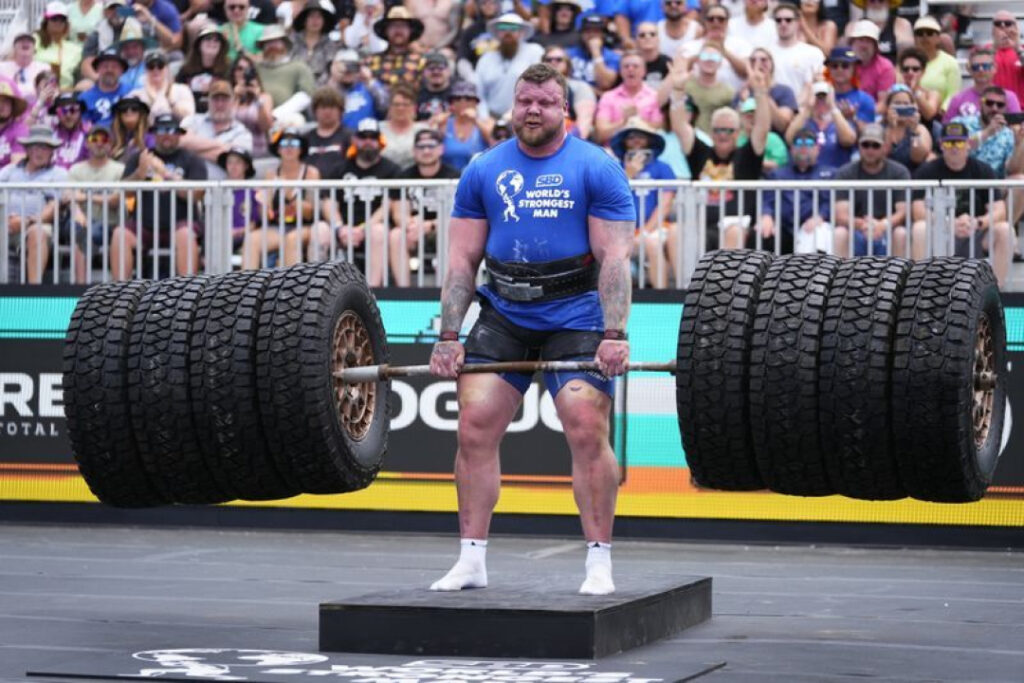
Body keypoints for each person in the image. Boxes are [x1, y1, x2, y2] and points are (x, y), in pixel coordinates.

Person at [428, 63, 635, 596]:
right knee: (473, 425)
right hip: (505, 313)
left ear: (563, 107)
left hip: (578, 314)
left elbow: (614, 258)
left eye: (545, 101)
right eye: (525, 101)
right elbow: (461, 262)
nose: (533, 110)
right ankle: (471, 559)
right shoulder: (482, 169)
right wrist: (449, 335)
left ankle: (598, 562)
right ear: (512, 105)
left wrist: (615, 332)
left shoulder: (597, 168)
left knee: (585, 424)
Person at [674, 64, 771, 250]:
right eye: (718, 130)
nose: (723, 135)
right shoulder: (700, 152)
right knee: (676, 232)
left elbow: (762, 128)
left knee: (734, 231)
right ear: (711, 133)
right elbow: (680, 127)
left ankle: (726, 281)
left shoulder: (747, 154)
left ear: (737, 133)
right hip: (700, 223)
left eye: (728, 130)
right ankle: (687, 280)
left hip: (736, 225)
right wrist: (678, 90)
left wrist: (760, 91)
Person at [911, 122, 1014, 287]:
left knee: (1005, 230)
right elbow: (917, 210)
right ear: (941, 145)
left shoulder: (983, 170)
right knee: (919, 228)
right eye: (949, 142)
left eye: (959, 142)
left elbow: (999, 210)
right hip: (941, 232)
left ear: (968, 144)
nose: (954, 148)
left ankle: (996, 292)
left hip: (976, 232)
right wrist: (947, 222)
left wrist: (978, 222)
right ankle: (920, 291)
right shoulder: (926, 171)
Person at [111, 114, 208, 279]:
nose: (166, 134)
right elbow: (125, 193)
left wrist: (165, 174)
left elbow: (198, 194)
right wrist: (139, 174)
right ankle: (120, 295)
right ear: (154, 133)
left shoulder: (192, 159)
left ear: (179, 133)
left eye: (171, 129)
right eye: (161, 130)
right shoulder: (140, 157)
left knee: (185, 234)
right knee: (120, 234)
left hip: (181, 224)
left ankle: (189, 294)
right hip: (144, 226)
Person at [325, 117, 401, 287]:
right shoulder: (339, 169)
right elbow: (328, 202)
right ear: (354, 140)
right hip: (341, 228)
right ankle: (317, 291)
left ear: (380, 141)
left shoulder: (392, 169)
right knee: (319, 230)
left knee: (378, 231)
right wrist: (340, 228)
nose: (368, 141)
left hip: (374, 228)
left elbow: (388, 205)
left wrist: (362, 229)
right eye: (363, 137)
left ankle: (373, 293)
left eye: (373, 137)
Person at [242, 127, 329, 268]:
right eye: (284, 144)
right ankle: (246, 287)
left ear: (300, 149)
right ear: (278, 149)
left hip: (304, 226)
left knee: (292, 239)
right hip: (278, 226)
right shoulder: (271, 174)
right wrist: (261, 204)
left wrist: (288, 191)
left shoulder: (310, 173)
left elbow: (310, 212)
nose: (289, 148)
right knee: (252, 239)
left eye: (294, 143)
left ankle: (291, 288)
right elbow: (266, 214)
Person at [386, 128, 460, 286]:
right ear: (413, 151)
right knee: (395, 235)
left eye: (431, 146)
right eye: (421, 147)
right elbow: (398, 213)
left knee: (449, 229)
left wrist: (430, 225)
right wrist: (411, 225)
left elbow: (457, 214)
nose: (426, 151)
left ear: (441, 149)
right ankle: (403, 292)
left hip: (441, 228)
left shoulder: (454, 176)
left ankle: (445, 290)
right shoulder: (404, 177)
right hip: (412, 230)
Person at [0, 126, 71, 284]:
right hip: (5, 223)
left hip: (37, 224)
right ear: (27, 149)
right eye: (36, 146)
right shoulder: (9, 171)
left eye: (45, 147)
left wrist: (27, 221)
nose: (40, 151)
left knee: (37, 233)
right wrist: (5, 220)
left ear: (52, 151)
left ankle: (34, 291)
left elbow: (55, 205)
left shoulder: (59, 173)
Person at [611, 117, 676, 289]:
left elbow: (666, 204)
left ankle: (663, 299)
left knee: (653, 242)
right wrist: (628, 174)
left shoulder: (663, 167)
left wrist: (645, 231)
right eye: (631, 137)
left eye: (641, 136)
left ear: (649, 140)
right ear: (624, 142)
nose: (636, 141)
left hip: (654, 230)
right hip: (621, 234)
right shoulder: (615, 168)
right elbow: (608, 199)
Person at [833, 122, 910, 257]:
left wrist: (882, 224)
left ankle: (899, 277)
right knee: (839, 233)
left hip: (888, 228)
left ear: (885, 147)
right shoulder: (845, 173)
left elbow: (903, 211)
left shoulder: (899, 172)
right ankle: (841, 278)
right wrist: (862, 224)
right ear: (859, 146)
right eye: (865, 145)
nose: (870, 150)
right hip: (857, 229)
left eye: (875, 145)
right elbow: (841, 215)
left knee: (901, 233)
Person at [757, 127, 835, 254]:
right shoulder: (777, 175)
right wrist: (766, 216)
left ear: (817, 149)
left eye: (809, 143)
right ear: (791, 149)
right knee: (763, 232)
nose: (803, 146)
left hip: (812, 225)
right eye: (798, 143)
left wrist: (821, 216)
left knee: (820, 232)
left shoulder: (829, 174)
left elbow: (829, 201)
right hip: (783, 227)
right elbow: (767, 200)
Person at [67, 123, 124, 269]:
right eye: (94, 138)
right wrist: (77, 211)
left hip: (109, 223)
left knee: (82, 232)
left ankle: (81, 287)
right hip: (80, 222)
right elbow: (69, 196)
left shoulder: (120, 169)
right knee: (78, 229)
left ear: (110, 144)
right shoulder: (76, 169)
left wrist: (86, 197)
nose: (99, 143)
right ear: (87, 143)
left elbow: (114, 201)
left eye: (104, 139)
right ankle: (79, 288)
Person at [475, 13, 544, 119]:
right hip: (492, 118)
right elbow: (478, 94)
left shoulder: (535, 52)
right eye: (503, 28)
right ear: (497, 33)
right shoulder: (485, 59)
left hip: (527, 117)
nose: (508, 32)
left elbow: (540, 87)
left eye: (513, 28)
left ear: (521, 32)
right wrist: (485, 119)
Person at [179, 79, 254, 172]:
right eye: (216, 99)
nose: (220, 104)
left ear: (233, 102)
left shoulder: (242, 132)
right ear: (208, 101)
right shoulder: (192, 120)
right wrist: (223, 146)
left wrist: (193, 149)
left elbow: (235, 162)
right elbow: (180, 141)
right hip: (192, 184)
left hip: (227, 185)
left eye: (224, 100)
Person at [951, 86, 1022, 179]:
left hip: (995, 187)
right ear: (980, 103)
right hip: (963, 182)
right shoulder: (960, 123)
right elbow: (955, 150)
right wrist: (988, 132)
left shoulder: (1008, 134)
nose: (994, 108)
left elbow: (1011, 170)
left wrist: (1019, 145)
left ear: (1005, 108)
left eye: (1000, 105)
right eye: (989, 103)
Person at [594, 51, 663, 144]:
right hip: (613, 152)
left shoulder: (655, 96)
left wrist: (637, 120)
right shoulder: (608, 97)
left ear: (644, 71)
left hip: (646, 149)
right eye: (626, 66)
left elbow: (659, 131)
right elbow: (601, 134)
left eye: (635, 66)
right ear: (620, 71)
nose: (630, 69)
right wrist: (624, 122)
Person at [786, 80, 857, 169]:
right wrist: (808, 107)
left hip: (835, 178)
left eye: (824, 97)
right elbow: (790, 139)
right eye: (817, 97)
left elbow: (848, 140)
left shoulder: (840, 122)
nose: (820, 101)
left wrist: (832, 106)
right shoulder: (803, 122)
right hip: (806, 177)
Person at [679, 5, 751, 92]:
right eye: (711, 19)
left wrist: (724, 51)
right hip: (697, 100)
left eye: (721, 19)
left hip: (733, 100)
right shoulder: (690, 46)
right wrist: (702, 52)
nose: (715, 22)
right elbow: (679, 72)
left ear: (727, 22)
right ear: (705, 22)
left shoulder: (740, 44)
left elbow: (746, 72)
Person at [945, 47, 1022, 124]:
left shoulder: (1009, 97)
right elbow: (946, 129)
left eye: (986, 66)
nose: (981, 70)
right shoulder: (958, 99)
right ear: (969, 70)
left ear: (994, 68)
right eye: (976, 67)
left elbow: (1017, 127)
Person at [770, 2, 825, 97]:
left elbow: (821, 86)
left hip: (804, 108)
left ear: (798, 22)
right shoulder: (766, 53)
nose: (783, 24)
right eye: (778, 20)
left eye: (788, 20)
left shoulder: (814, 53)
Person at [175, 25, 231, 115]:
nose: (212, 42)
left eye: (217, 40)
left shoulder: (228, 69)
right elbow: (177, 92)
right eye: (208, 39)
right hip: (190, 114)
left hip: (218, 114)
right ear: (199, 44)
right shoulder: (186, 70)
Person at [217, 146, 261, 260]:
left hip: (243, 237)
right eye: (230, 162)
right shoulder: (217, 191)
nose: (233, 166)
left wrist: (238, 231)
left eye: (238, 162)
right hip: (219, 235)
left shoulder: (254, 192)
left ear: (246, 166)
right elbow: (212, 219)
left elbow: (255, 223)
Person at [680, 45, 734, 135]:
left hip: (714, 141)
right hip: (688, 138)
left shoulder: (728, 92)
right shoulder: (685, 85)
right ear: (697, 60)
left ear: (720, 63)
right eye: (705, 56)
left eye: (715, 57)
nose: (710, 60)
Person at [366, 6, 425, 88]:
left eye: (403, 26)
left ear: (411, 31)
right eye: (393, 26)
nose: (398, 30)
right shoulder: (371, 61)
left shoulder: (421, 62)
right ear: (386, 30)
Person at [130, 51, 196, 123]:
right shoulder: (135, 95)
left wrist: (169, 102)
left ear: (167, 68)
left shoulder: (182, 90)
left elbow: (189, 116)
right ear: (145, 70)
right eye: (151, 66)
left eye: (160, 66)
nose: (156, 69)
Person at [325, 49, 383, 130]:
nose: (348, 70)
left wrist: (370, 81)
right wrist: (333, 80)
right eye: (344, 66)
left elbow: (385, 108)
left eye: (352, 66)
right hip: (339, 136)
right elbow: (319, 112)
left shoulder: (369, 86)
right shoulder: (330, 88)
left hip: (366, 136)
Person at [914, 15, 960, 114]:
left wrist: (943, 111)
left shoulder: (950, 62)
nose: (924, 36)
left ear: (938, 38)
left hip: (941, 116)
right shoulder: (908, 61)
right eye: (920, 33)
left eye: (930, 33)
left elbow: (953, 94)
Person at [439, 81, 489, 173]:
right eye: (458, 98)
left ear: (476, 102)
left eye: (468, 98)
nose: (463, 102)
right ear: (451, 103)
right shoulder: (444, 124)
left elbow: (495, 142)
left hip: (478, 178)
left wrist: (475, 120)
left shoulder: (486, 123)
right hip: (448, 180)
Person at [289, 0, 340, 87]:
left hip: (321, 88)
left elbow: (330, 70)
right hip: (294, 84)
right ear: (304, 20)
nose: (315, 21)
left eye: (319, 17)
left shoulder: (329, 44)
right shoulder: (292, 40)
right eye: (311, 16)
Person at [231, 55, 274, 157]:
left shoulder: (264, 97)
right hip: (233, 150)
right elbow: (226, 121)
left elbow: (266, 127)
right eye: (239, 69)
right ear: (233, 72)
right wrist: (235, 97)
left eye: (247, 69)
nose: (243, 73)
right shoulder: (228, 96)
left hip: (258, 150)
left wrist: (257, 98)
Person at [882, 85, 931, 174]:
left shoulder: (920, 129)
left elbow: (918, 158)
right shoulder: (880, 128)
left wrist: (914, 132)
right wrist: (891, 127)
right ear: (888, 106)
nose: (902, 107)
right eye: (897, 104)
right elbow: (881, 155)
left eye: (906, 104)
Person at [379, 82, 429, 171]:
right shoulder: (378, 129)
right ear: (389, 107)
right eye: (396, 104)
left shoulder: (423, 129)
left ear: (414, 108)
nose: (400, 108)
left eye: (406, 104)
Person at [35, 2, 83, 91]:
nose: (58, 22)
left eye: (62, 19)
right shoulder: (35, 40)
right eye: (54, 19)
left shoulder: (76, 49)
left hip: (64, 93)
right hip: (36, 92)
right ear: (46, 21)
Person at [844, 0, 912, 63]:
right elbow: (847, 58)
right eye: (872, 1)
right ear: (865, 3)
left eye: (881, 0)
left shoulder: (901, 24)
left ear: (889, 3)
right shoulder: (853, 27)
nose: (876, 4)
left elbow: (906, 60)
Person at [825, 47, 875, 131]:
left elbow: (869, 135)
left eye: (845, 65)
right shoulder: (822, 96)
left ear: (854, 69)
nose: (839, 70)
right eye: (834, 66)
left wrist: (852, 119)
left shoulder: (865, 100)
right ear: (829, 69)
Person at [568, 15, 620, 93]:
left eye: (596, 31)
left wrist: (596, 52)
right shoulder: (568, 54)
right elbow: (562, 81)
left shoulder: (613, 57)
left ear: (603, 35)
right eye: (588, 31)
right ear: (581, 34)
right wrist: (595, 91)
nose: (592, 35)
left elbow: (605, 83)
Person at [79, 47, 129, 127]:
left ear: (121, 71)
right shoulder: (84, 98)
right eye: (105, 66)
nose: (109, 70)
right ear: (97, 69)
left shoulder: (131, 93)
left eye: (114, 67)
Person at [848, 19, 895, 103]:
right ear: (852, 43)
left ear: (875, 46)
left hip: (873, 113)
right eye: (861, 40)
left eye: (868, 41)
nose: (864, 45)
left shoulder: (885, 66)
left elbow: (883, 104)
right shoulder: (842, 63)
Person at [0, 33, 53, 105]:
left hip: (36, 109)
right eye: (20, 40)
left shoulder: (44, 68)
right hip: (10, 109)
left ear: (34, 50)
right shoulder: (2, 68)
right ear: (14, 49)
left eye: (30, 41)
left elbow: (48, 95)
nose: (25, 41)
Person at [895, 46, 940, 125]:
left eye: (915, 69)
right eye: (906, 69)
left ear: (923, 72)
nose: (910, 72)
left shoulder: (932, 94)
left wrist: (915, 91)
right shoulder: (894, 92)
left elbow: (929, 115)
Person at [50, 92, 90, 169]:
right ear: (56, 113)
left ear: (80, 112)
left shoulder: (89, 134)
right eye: (63, 111)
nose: (68, 115)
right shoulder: (49, 135)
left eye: (73, 110)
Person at [991, 11, 1024, 105]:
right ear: (992, 30)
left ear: (1016, 28)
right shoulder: (983, 50)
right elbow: (982, 70)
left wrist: (1017, 48)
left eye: (1008, 23)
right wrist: (995, 46)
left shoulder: (1022, 50)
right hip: (993, 107)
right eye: (998, 24)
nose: (1003, 26)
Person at [109, 95, 151, 161]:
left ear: (141, 114)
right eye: (124, 109)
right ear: (119, 115)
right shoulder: (111, 136)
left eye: (134, 108)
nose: (129, 111)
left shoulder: (149, 137)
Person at [0, 82, 30, 168]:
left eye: (6, 101)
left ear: (12, 106)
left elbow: (16, 167)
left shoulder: (21, 131)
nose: (1, 105)